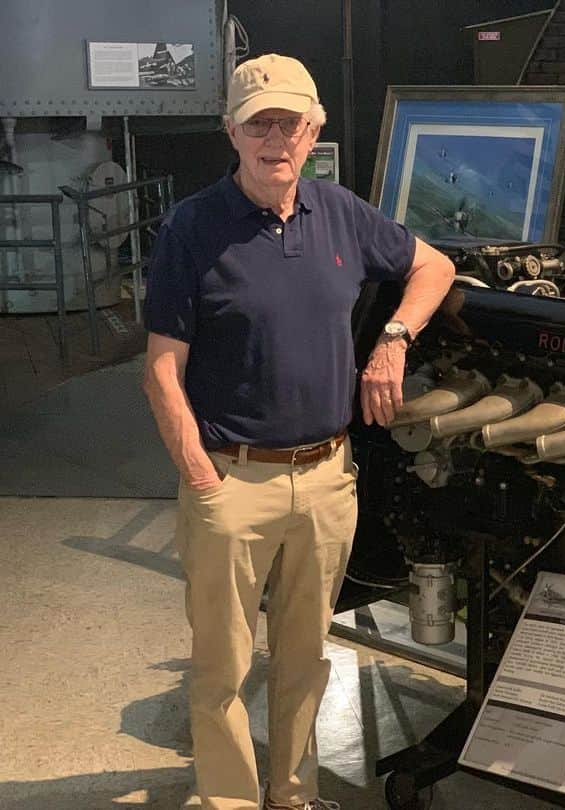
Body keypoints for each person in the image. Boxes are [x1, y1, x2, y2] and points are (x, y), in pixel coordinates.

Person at [142, 53, 455, 810]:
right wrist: (198, 471)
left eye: (290, 122)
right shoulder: (193, 227)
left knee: (306, 658)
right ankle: (229, 800)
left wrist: (393, 338)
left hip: (325, 477)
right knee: (220, 666)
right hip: (231, 477)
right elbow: (160, 366)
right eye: (260, 123)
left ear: (313, 131)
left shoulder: (340, 213)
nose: (275, 138)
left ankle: (292, 793)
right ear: (233, 132)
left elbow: (434, 267)